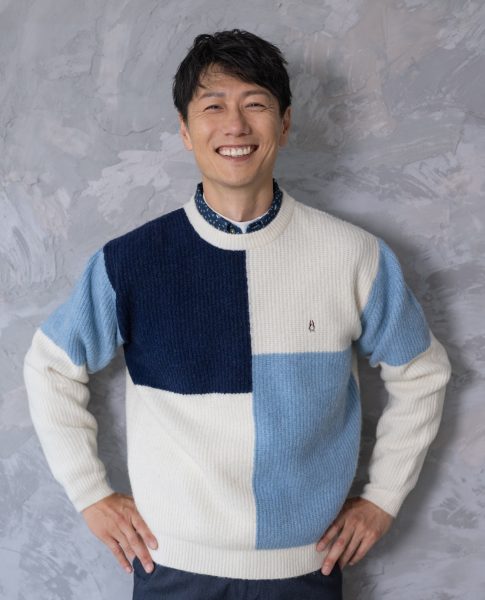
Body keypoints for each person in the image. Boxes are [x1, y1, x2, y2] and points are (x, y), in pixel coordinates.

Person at [23, 29, 452, 600]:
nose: (235, 125)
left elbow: (422, 372)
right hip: (172, 569)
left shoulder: (354, 256)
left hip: (305, 572)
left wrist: (383, 499)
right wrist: (90, 495)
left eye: (255, 104)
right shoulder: (131, 261)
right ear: (184, 130)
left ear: (285, 123)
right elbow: (51, 366)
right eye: (213, 107)